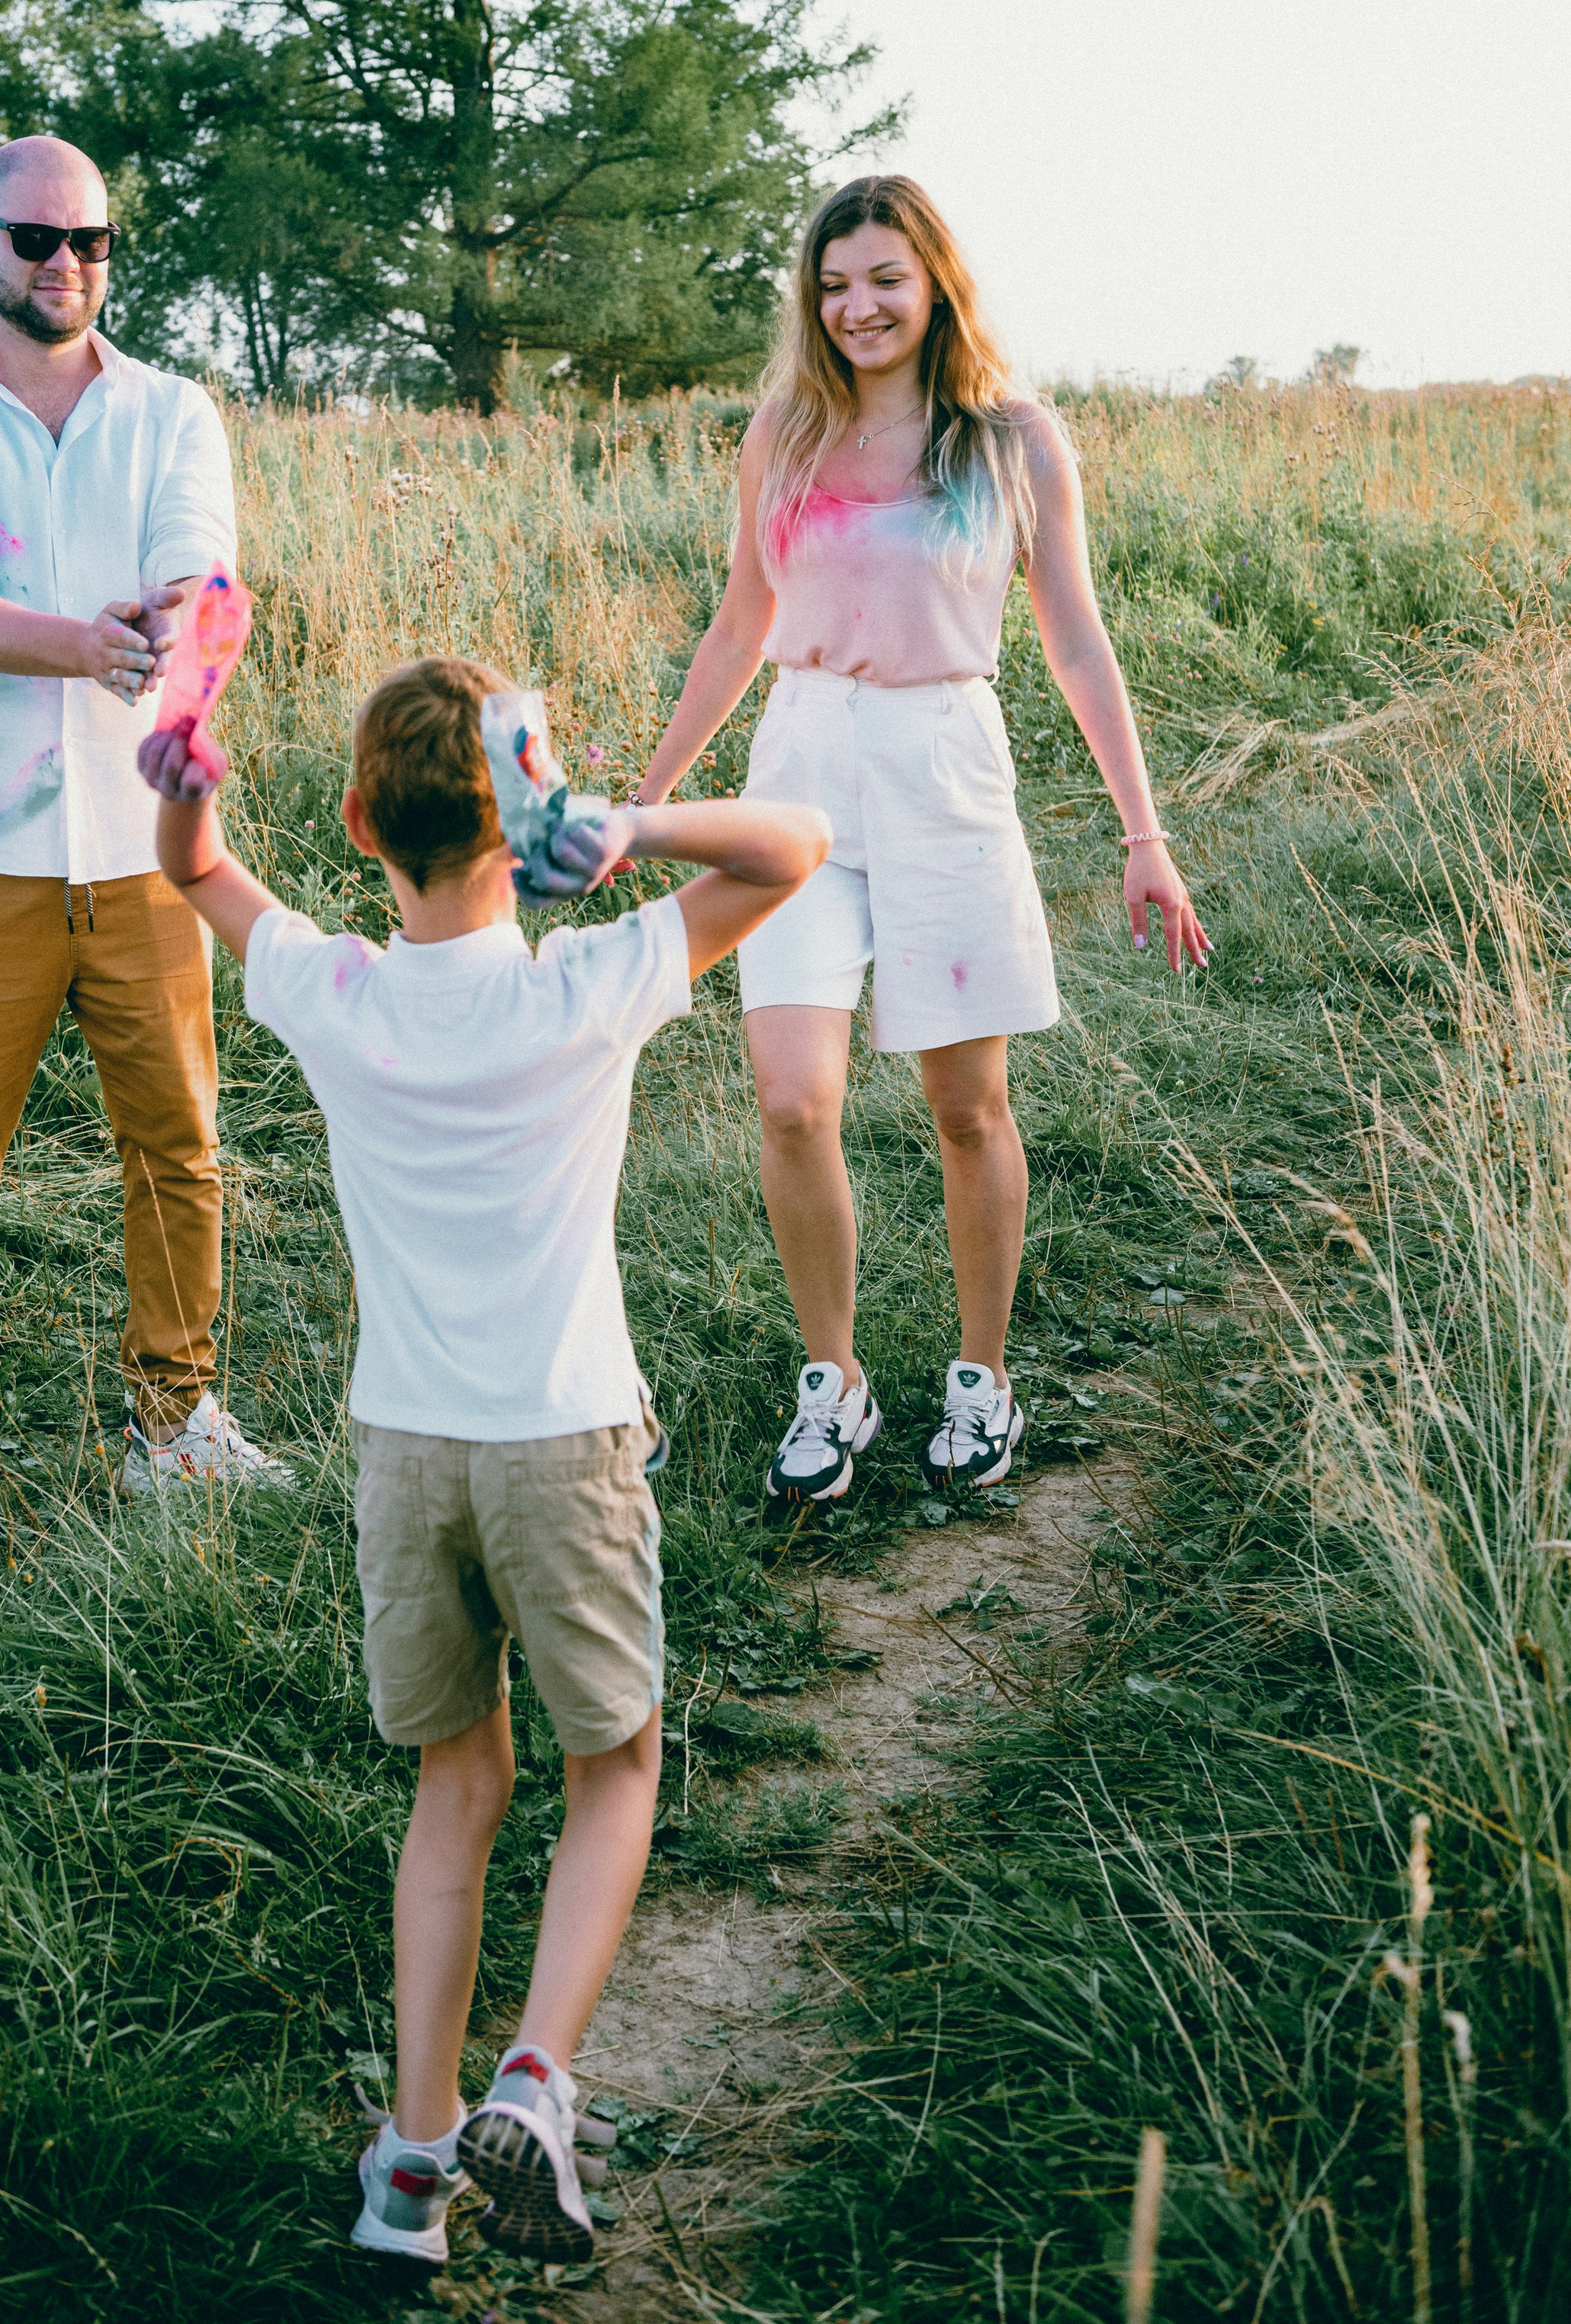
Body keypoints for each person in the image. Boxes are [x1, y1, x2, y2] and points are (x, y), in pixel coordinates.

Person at [137, 656, 829, 2266]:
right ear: (524, 823)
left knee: (455, 1782)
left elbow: (189, 866)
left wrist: (184, 763)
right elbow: (790, 844)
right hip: (565, 1448)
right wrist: (630, 825)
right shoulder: (586, 983)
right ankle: (535, 2078)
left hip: (404, 1459)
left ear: (360, 819)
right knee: (619, 1770)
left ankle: (411, 2159)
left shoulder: (331, 991)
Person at [633, 172, 1209, 1513]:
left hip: (945, 762)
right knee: (791, 1098)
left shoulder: (1012, 440)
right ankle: (831, 1381)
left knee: (967, 1107)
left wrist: (1144, 830)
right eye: (834, 286)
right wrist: (647, 803)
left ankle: (984, 1378)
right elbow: (736, 627)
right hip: (804, 768)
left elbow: (1074, 637)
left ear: (936, 281)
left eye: (884, 279)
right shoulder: (781, 432)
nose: (857, 308)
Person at [0, 134, 281, 1542]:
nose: (65, 267)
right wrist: (84, 644)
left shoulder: (172, 411)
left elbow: (203, 578)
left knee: (179, 1142)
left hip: (141, 847)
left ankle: (177, 1415)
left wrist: (190, 645)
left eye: (90, 242)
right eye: (35, 239)